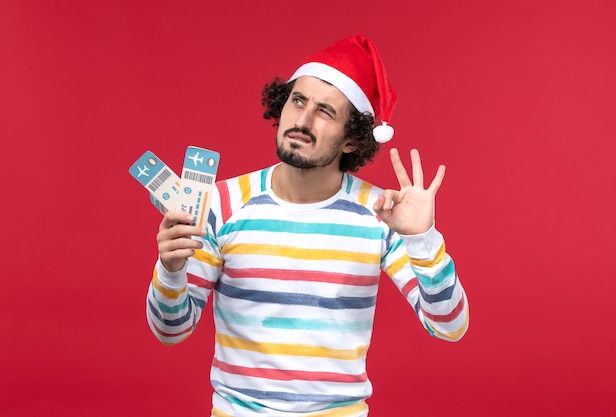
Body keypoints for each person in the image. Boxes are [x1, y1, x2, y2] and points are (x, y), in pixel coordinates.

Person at [147, 34, 469, 417]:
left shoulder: (381, 212)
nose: (301, 120)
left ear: (352, 139)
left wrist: (422, 240)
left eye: (325, 111)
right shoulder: (221, 204)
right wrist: (170, 270)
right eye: (297, 101)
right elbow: (171, 330)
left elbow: (450, 326)